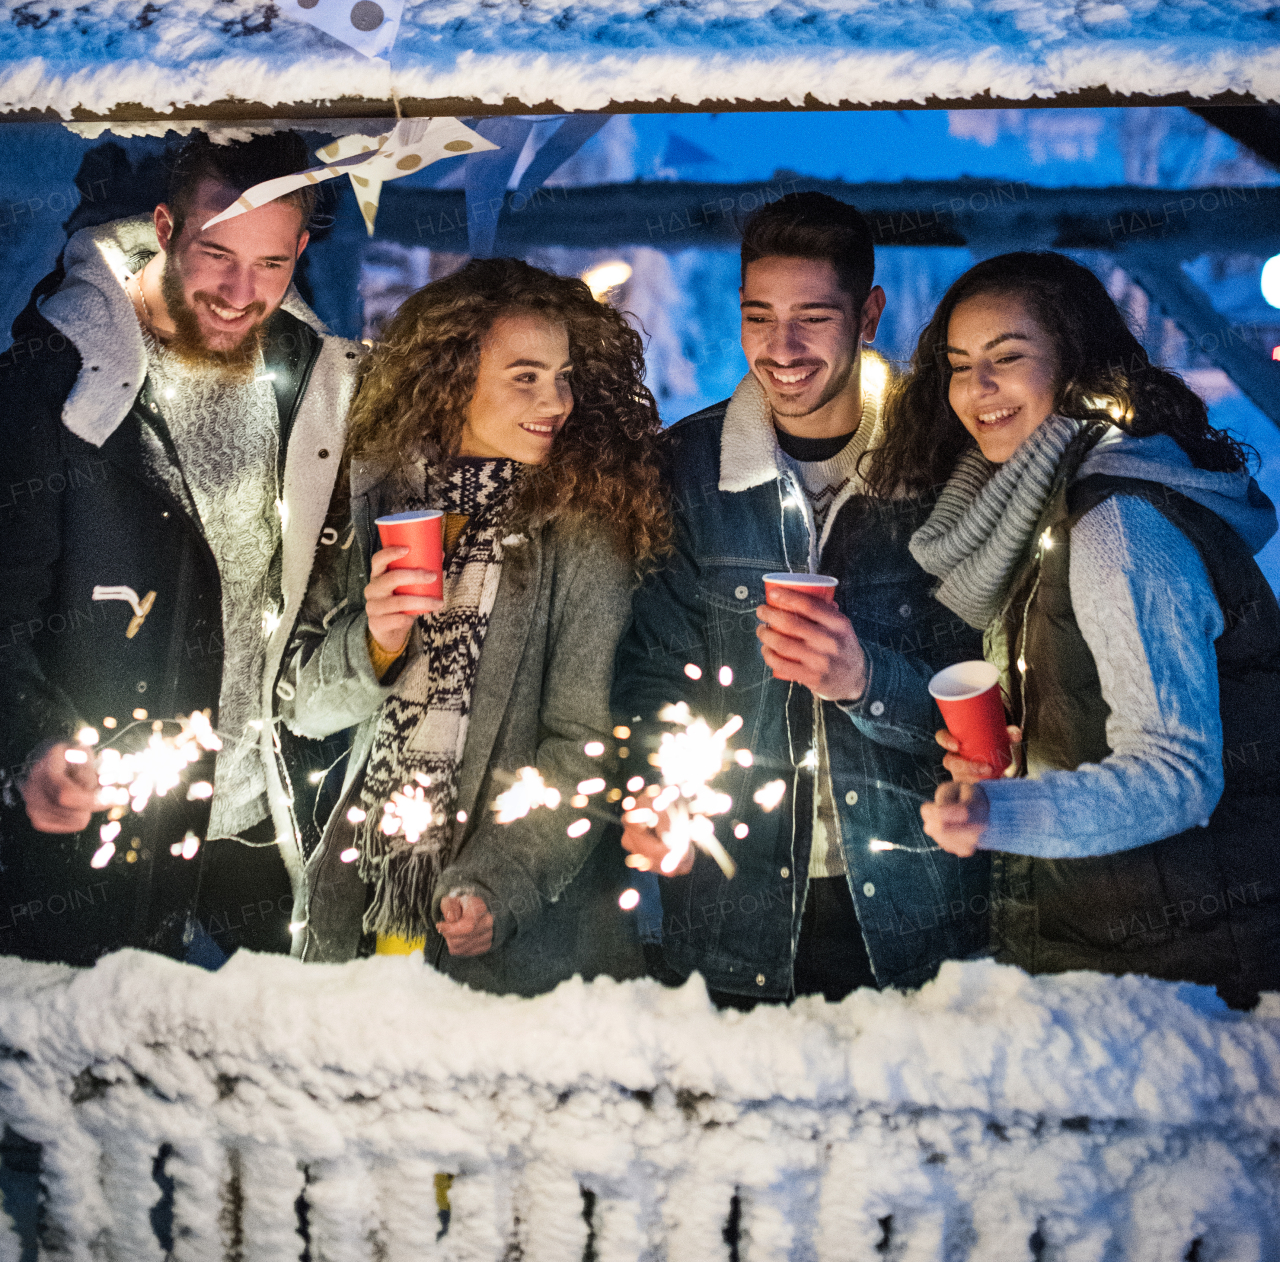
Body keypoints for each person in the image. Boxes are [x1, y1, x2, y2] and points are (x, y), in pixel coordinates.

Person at [612, 192, 990, 1007]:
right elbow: (650, 673)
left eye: (813, 317)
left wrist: (866, 680)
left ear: (868, 315)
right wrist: (655, 785)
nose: (781, 349)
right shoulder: (687, 470)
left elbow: (995, 702)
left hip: (913, 913)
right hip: (732, 919)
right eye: (759, 317)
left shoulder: (943, 469)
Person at [879, 250, 1280, 1008]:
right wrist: (1042, 747)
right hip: (1125, 947)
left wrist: (1001, 811)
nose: (977, 388)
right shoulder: (1048, 512)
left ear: (1074, 365)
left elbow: (1179, 774)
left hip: (1190, 970)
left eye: (1008, 358)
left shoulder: (1117, 528)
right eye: (960, 365)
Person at [0, 131, 361, 967]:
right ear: (164, 226)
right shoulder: (46, 387)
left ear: (301, 251)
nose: (241, 291)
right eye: (217, 253)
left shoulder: (318, 384)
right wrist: (33, 744)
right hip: (106, 836)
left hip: (259, 825)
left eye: (271, 263)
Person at [276, 257, 669, 991]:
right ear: (452, 377)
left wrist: (499, 883)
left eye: (563, 375)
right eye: (525, 375)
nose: (554, 399)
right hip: (358, 917)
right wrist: (376, 642)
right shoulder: (372, 499)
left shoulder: (584, 527)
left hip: (515, 948)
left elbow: (582, 746)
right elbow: (301, 706)